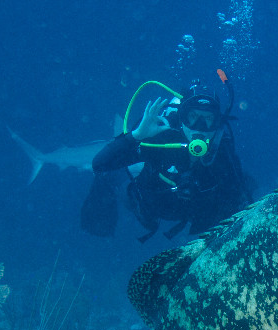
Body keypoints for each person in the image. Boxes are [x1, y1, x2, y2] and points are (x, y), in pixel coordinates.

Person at [80, 79, 252, 241]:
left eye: (208, 119)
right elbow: (100, 165)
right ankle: (97, 230)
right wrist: (136, 136)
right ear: (182, 118)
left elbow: (240, 194)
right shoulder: (161, 138)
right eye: (193, 117)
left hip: (190, 212)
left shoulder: (221, 149)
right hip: (148, 204)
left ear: (217, 124)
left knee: (246, 183)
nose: (199, 127)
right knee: (109, 177)